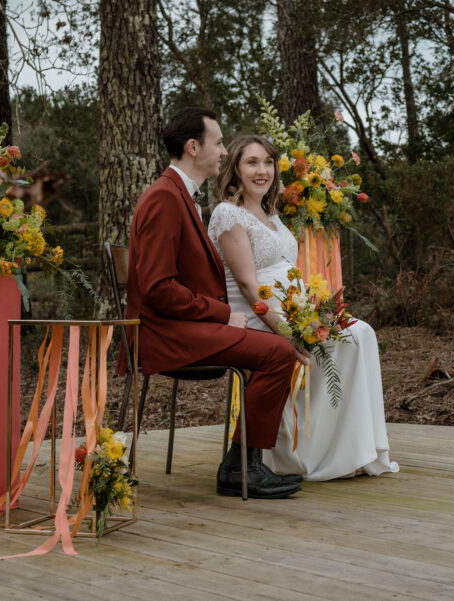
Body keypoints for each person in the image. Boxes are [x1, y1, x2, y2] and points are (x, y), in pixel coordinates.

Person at [123, 107, 303, 498]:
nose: (224, 152)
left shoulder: (180, 196)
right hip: (162, 334)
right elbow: (157, 288)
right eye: (218, 142)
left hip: (182, 325)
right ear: (193, 147)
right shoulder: (164, 199)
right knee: (279, 352)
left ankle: (243, 463)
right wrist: (224, 314)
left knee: (278, 349)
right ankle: (241, 467)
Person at [207, 135, 399, 480]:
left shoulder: (272, 215)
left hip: (297, 312)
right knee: (347, 340)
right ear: (235, 168)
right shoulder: (228, 214)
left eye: (268, 162)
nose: (262, 170)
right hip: (258, 317)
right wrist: (286, 330)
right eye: (252, 162)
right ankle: (303, 453)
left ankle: (348, 449)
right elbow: (250, 286)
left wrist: (313, 312)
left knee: (362, 335)